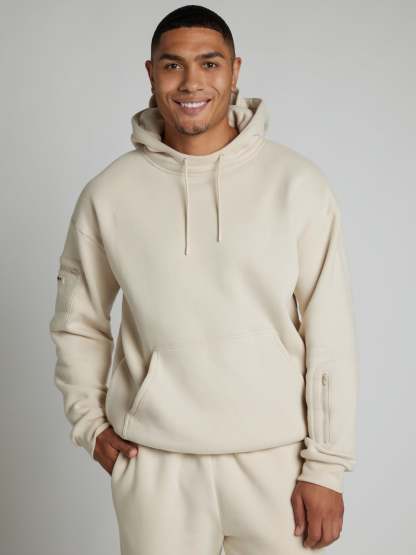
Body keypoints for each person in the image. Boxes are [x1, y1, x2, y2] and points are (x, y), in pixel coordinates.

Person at [49, 4, 359, 554]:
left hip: (277, 465)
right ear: (151, 74)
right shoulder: (109, 194)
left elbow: (330, 331)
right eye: (173, 65)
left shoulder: (297, 184)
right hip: (155, 465)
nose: (191, 82)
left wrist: (327, 467)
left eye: (209, 64)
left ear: (235, 72)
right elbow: (79, 320)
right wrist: (89, 424)